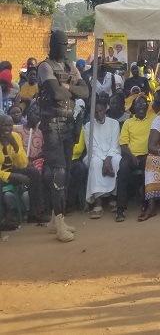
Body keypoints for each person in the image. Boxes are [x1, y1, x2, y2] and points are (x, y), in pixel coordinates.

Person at [37, 30, 89, 242]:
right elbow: (55, 93)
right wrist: (71, 88)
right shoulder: (45, 66)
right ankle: (59, 223)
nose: (65, 48)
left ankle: (54, 220)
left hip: (68, 123)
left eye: (66, 44)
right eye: (61, 44)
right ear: (52, 44)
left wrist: (66, 86)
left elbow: (86, 91)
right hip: (52, 125)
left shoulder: (71, 66)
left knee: (65, 172)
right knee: (58, 172)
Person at [0, 113, 47, 225]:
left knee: (33, 172)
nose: (8, 129)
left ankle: (35, 213)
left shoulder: (15, 136)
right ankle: (2, 219)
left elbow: (23, 164)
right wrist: (11, 176)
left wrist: (15, 146)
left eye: (10, 126)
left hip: (11, 170)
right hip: (3, 174)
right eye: (4, 125)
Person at [116, 95, 155, 222]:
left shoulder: (154, 119)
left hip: (148, 155)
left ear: (147, 106)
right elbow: (123, 144)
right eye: (138, 104)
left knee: (148, 172)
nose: (141, 106)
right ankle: (120, 209)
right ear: (133, 107)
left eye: (144, 104)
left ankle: (146, 204)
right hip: (130, 155)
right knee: (122, 171)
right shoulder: (128, 123)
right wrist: (132, 156)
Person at [84, 93, 122, 219]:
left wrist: (108, 159)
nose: (98, 114)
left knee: (117, 161)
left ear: (105, 109)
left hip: (112, 153)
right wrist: (104, 160)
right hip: (96, 155)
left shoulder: (114, 123)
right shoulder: (88, 126)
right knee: (95, 163)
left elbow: (115, 144)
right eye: (95, 112)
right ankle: (98, 202)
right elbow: (92, 147)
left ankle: (113, 198)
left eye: (100, 110)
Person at [13, 105, 44, 174]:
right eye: (36, 114)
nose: (38, 117)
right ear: (29, 114)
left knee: (36, 171)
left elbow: (45, 150)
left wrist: (33, 159)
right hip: (19, 161)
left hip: (37, 161)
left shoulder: (41, 130)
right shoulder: (16, 130)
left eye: (40, 115)